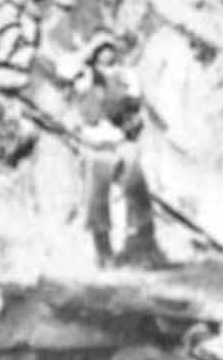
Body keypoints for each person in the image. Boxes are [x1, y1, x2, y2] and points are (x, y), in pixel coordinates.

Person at [59, 33, 167, 270]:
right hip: (95, 144)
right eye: (101, 49)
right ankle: (103, 252)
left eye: (110, 48)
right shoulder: (85, 76)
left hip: (120, 140)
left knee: (138, 192)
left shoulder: (126, 76)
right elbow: (65, 71)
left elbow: (135, 102)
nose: (107, 52)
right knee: (97, 198)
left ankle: (143, 246)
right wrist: (86, 52)